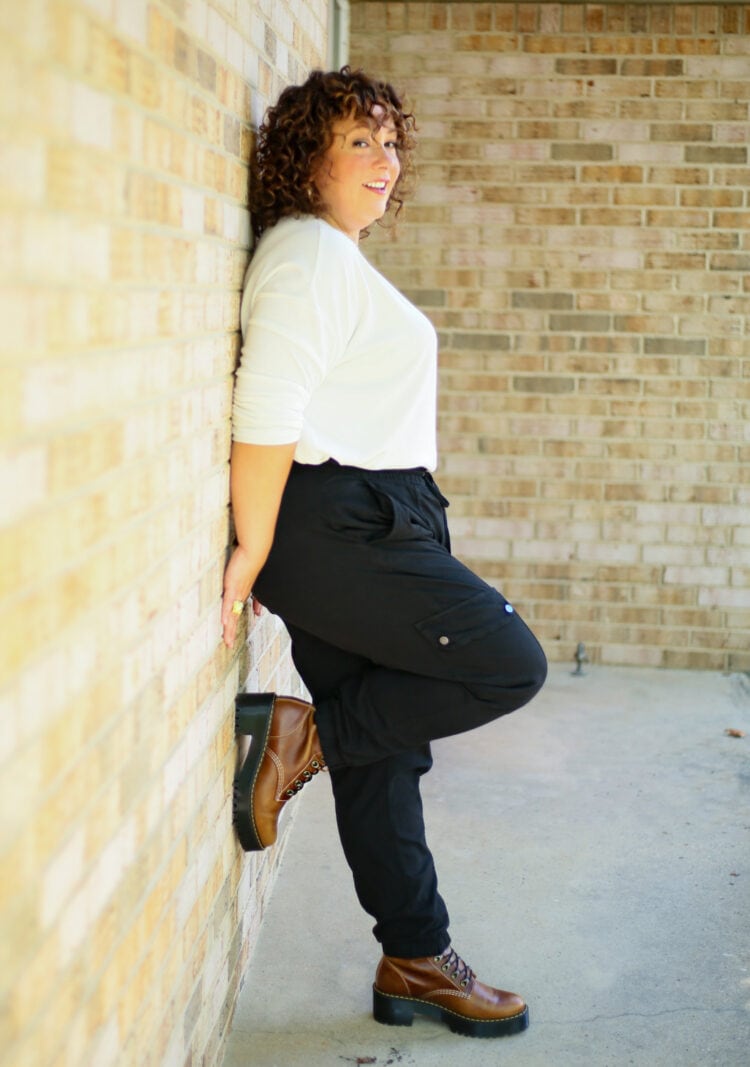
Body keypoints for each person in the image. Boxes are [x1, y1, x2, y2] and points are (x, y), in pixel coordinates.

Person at [221, 66, 547, 1040]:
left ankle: (414, 952)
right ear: (304, 155)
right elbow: (267, 405)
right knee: (508, 661)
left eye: (390, 142)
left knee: (386, 761)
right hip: (344, 522)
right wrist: (256, 547)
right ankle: (308, 733)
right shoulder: (308, 256)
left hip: (368, 516)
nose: (384, 158)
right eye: (358, 140)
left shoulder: (334, 260)